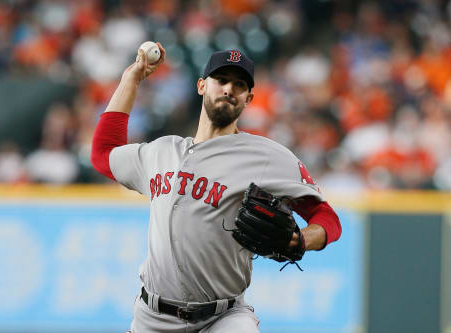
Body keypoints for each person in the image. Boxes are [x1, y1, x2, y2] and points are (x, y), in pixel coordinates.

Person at [91, 44, 342, 333]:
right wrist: (131, 80)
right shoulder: (161, 152)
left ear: (248, 98)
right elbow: (103, 153)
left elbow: (327, 219)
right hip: (152, 317)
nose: (229, 89)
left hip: (224, 318)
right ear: (201, 86)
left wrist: (301, 240)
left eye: (239, 84)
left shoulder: (266, 156)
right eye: (221, 80)